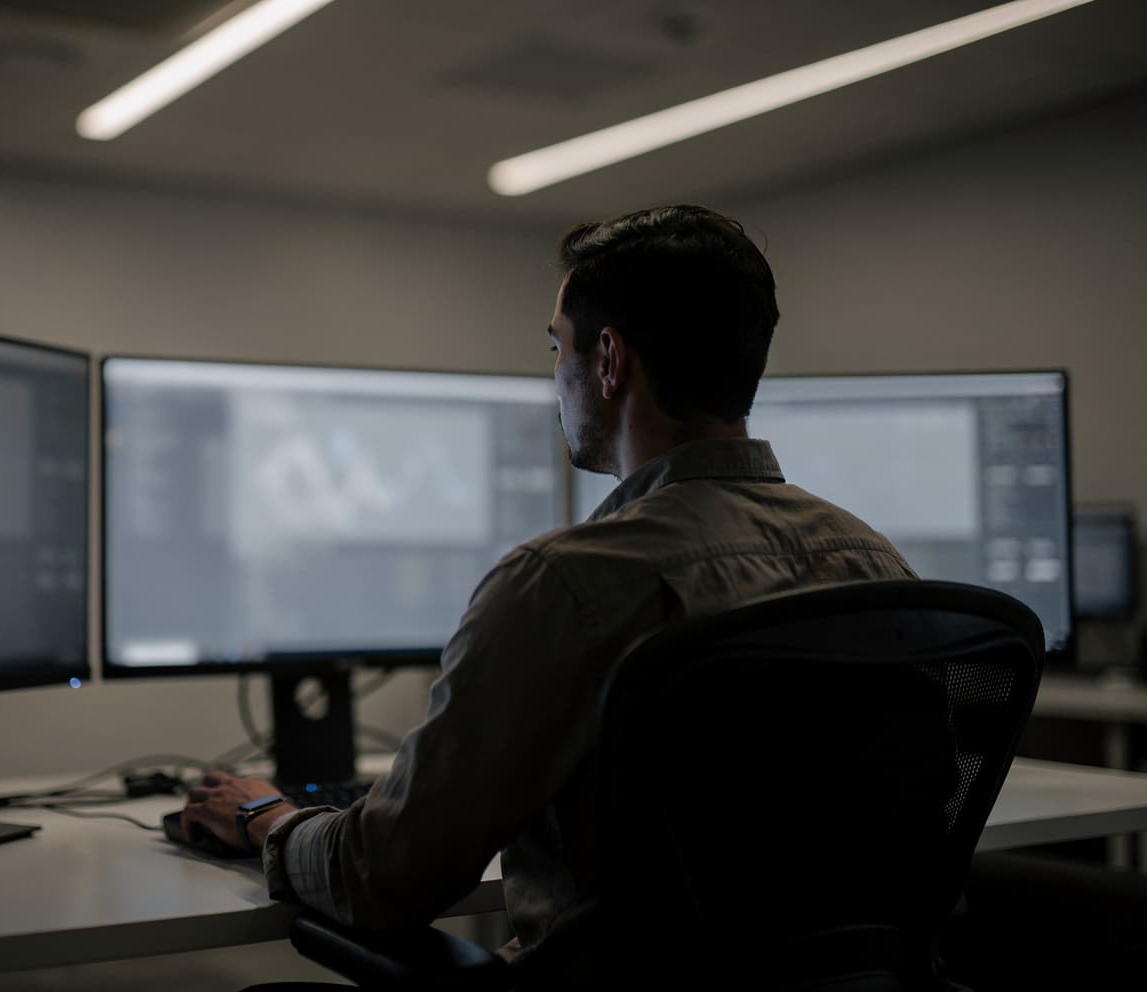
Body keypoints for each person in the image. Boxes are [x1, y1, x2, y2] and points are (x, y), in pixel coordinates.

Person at [179, 204, 918, 983]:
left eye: (556, 346)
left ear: (609, 361)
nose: (555, 376)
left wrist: (267, 818)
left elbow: (386, 877)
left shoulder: (565, 583)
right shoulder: (878, 567)